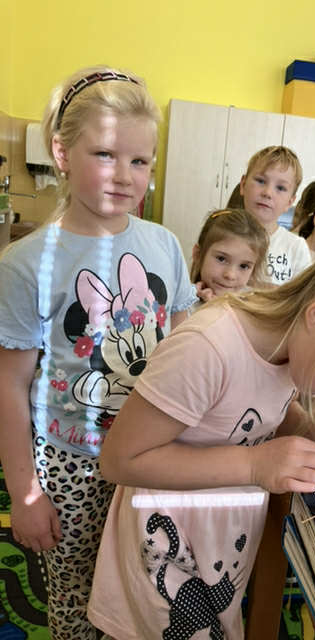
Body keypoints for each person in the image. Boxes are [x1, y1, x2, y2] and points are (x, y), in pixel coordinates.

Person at [88, 204, 315, 639]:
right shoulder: (207, 348)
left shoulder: (289, 348)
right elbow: (120, 460)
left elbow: (261, 407)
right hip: (163, 556)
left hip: (217, 546)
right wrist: (255, 464)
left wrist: (306, 429)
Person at [0, 65, 197, 640]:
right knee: (79, 602)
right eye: (106, 154)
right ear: (62, 153)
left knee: (152, 591)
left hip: (155, 453)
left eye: (140, 161)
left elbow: (188, 350)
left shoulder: (164, 244)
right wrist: (25, 492)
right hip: (73, 467)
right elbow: (9, 387)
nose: (125, 175)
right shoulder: (25, 264)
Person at [239, 146, 312, 285]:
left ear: (290, 202)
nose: (267, 193)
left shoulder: (296, 247)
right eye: (261, 181)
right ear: (243, 184)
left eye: (280, 188)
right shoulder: (222, 233)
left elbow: (303, 295)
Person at [191, 208, 269, 303]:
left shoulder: (255, 306)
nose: (230, 275)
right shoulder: (182, 303)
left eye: (244, 266)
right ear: (198, 254)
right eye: (221, 259)